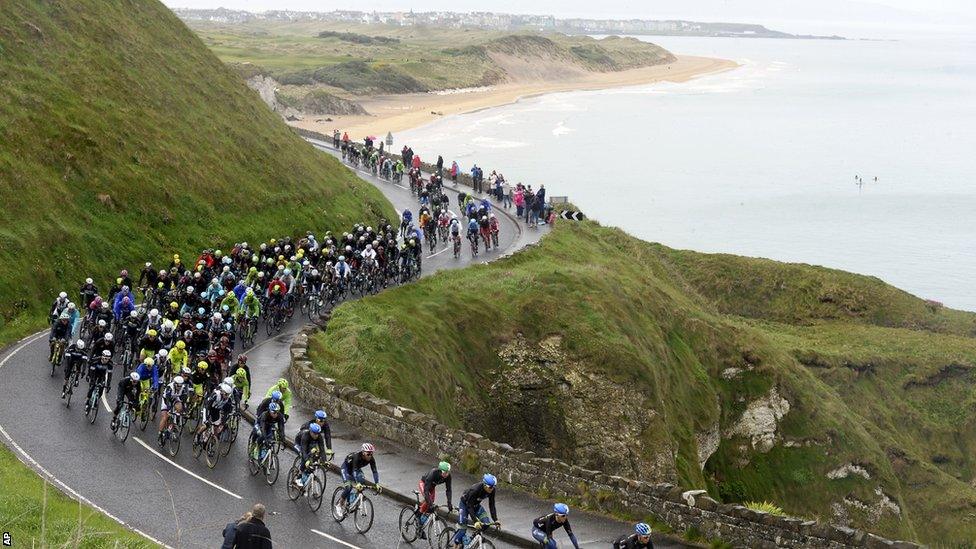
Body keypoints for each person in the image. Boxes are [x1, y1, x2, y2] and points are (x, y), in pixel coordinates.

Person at [452, 474, 500, 547]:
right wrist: (475, 521)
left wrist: (495, 519)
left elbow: (492, 505)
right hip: (465, 505)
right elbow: (469, 506)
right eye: (490, 487)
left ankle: (472, 537)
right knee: (462, 528)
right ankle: (456, 545)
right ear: (485, 485)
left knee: (486, 524)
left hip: (476, 506)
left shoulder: (492, 490)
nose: (492, 489)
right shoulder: (475, 489)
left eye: (494, 487)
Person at [337, 443, 380, 510]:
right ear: (363, 452)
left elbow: (374, 471)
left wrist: (377, 483)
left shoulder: (371, 459)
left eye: (371, 454)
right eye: (368, 454)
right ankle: (340, 504)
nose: (370, 456)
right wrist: (357, 482)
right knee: (348, 487)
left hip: (356, 469)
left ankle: (354, 497)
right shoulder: (356, 457)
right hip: (346, 469)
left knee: (362, 482)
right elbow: (354, 470)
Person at [417, 461, 453, 537]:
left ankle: (422, 517)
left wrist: (449, 503)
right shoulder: (433, 473)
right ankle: (419, 516)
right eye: (445, 472)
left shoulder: (448, 476)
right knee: (429, 502)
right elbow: (426, 490)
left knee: (431, 503)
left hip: (432, 487)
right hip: (424, 484)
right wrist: (429, 503)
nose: (446, 474)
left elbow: (448, 490)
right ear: (440, 471)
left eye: (448, 472)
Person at [158, 375, 190, 446]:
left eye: (180, 386)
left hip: (175, 399)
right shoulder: (170, 387)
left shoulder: (183, 388)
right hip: (166, 400)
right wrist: (169, 411)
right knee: (165, 417)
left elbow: (183, 401)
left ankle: (174, 424)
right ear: (175, 384)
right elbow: (168, 400)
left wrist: (185, 412)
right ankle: (160, 433)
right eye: (178, 386)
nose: (179, 387)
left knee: (180, 408)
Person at [293, 422, 326, 488]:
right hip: (300, 443)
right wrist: (307, 460)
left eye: (317, 433)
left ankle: (306, 473)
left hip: (309, 444)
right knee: (304, 458)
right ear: (310, 431)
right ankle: (298, 478)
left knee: (314, 456)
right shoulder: (305, 435)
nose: (316, 435)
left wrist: (324, 461)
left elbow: (322, 449)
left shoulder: (319, 436)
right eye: (314, 433)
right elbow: (304, 451)